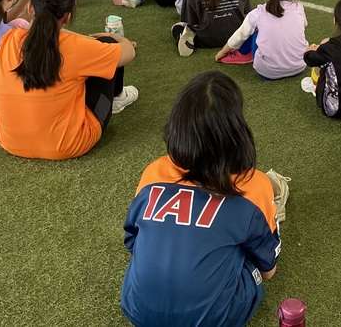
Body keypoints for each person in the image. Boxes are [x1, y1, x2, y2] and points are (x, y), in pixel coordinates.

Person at [120, 72, 282, 327]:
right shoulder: (254, 184)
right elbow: (268, 271)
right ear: (237, 132)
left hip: (138, 310)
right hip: (215, 318)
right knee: (247, 254)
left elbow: (132, 242)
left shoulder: (153, 173)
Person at [0, 0, 138, 160]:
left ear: (30, 8)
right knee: (108, 47)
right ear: (68, 17)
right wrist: (114, 37)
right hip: (69, 145)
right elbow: (129, 52)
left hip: (10, 141)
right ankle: (118, 98)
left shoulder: (8, 39)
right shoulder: (75, 47)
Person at [215, 0, 308, 78]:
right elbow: (304, 25)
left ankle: (243, 54)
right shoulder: (299, 8)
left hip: (267, 72)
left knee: (253, 30)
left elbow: (238, 36)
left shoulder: (257, 13)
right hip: (300, 66)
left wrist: (222, 52)